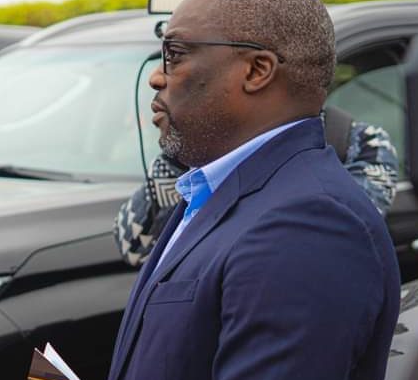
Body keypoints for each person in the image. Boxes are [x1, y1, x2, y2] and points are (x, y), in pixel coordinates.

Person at [44, 0, 400, 380]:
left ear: (257, 71)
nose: (157, 76)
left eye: (175, 53)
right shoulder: (208, 191)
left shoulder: (311, 222)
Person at [114, 113, 399, 267]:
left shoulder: (358, 141)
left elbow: (336, 237)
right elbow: (133, 249)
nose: (159, 78)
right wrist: (180, 153)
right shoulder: (202, 145)